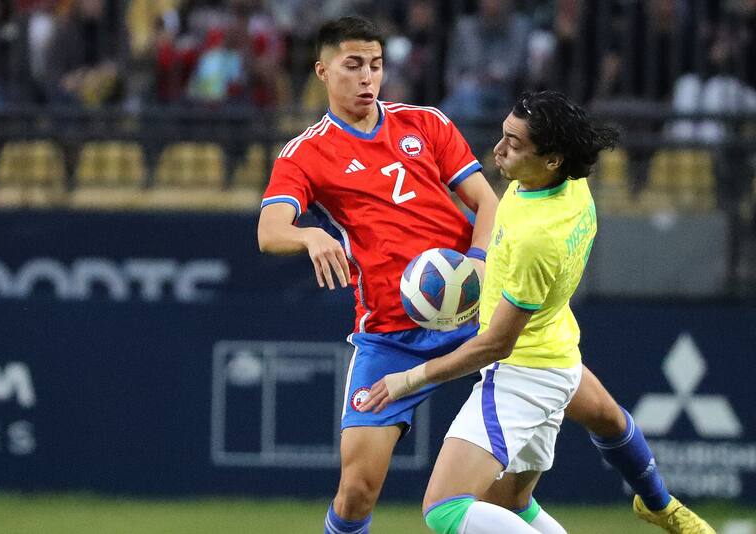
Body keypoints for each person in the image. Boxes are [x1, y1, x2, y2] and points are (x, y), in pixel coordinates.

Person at [258, 17, 713, 534]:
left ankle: (658, 503)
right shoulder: (305, 153)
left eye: (377, 66)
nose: (367, 78)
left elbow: (487, 203)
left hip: (476, 310)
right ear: (322, 71)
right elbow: (270, 229)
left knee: (601, 413)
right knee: (357, 490)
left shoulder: (424, 123)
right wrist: (310, 236)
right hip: (390, 334)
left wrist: (476, 261)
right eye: (353, 65)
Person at [358, 90, 716, 534]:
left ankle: (660, 505)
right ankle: (661, 504)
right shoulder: (571, 187)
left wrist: (408, 379)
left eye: (514, 142)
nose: (498, 149)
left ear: (551, 159)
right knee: (511, 500)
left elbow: (495, 344)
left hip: (519, 375)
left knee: (444, 509)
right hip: (557, 358)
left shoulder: (536, 239)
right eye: (503, 134)